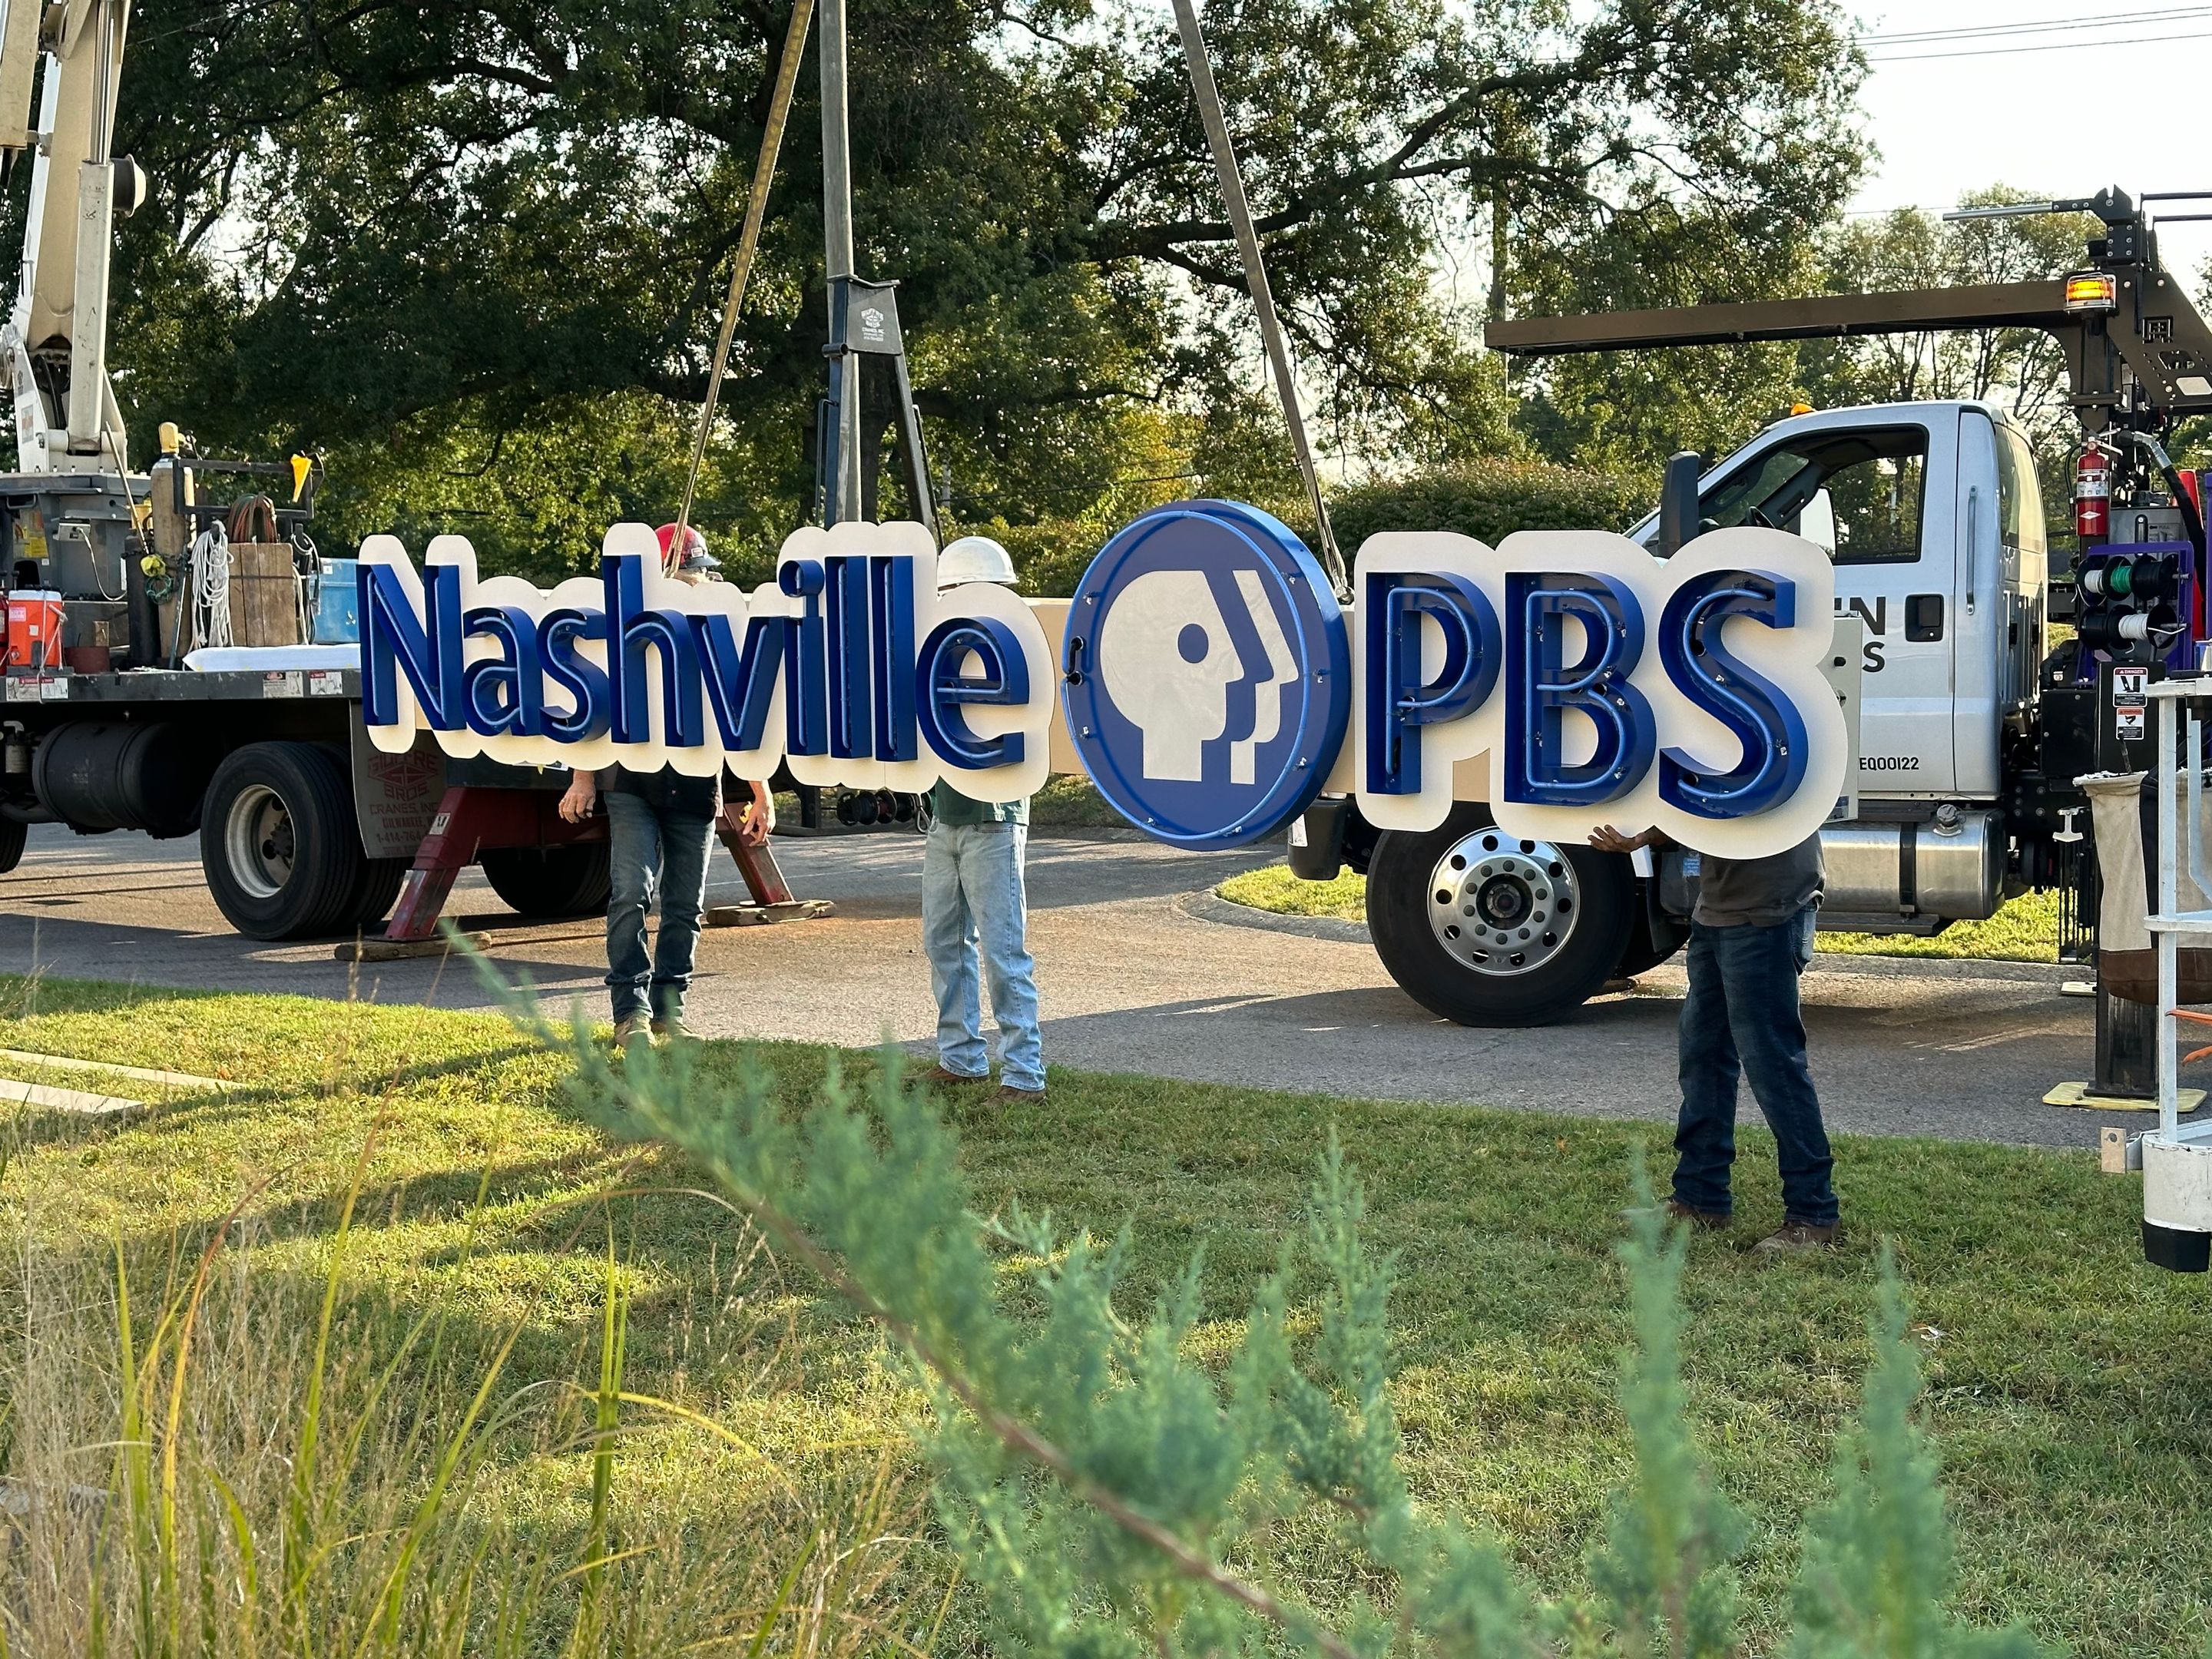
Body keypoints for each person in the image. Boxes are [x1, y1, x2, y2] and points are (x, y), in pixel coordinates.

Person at [557, 522, 771, 1051]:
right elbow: (595, 700)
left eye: (702, 572)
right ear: (661, 574)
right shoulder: (625, 626)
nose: (700, 580)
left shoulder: (718, 629)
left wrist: (759, 791)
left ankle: (669, 1011)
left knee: (685, 905)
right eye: (691, 570)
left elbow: (742, 719)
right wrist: (582, 776)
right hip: (630, 782)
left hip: (697, 788)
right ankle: (630, 1011)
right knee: (631, 892)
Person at [1590, 823, 1838, 1251]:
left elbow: (1739, 804)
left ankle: (1813, 1213)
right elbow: (1692, 807)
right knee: (1704, 1054)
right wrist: (1643, 831)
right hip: (1718, 908)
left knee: (1774, 1064)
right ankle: (1700, 1197)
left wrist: (1647, 833)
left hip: (1768, 909)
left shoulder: (1773, 754)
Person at [921, 536, 1045, 1104]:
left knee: (1002, 948)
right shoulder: (940, 646)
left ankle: (1023, 1074)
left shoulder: (1008, 642)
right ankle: (961, 1058)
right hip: (945, 817)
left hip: (994, 820)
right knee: (944, 941)